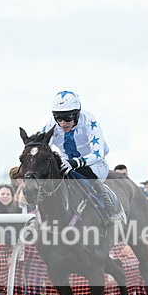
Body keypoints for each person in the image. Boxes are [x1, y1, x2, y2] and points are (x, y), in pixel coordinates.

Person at [42, 90, 124, 222]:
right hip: (68, 165)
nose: (63, 124)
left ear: (76, 115)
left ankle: (113, 212)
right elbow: (42, 147)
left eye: (68, 118)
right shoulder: (52, 124)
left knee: (89, 177)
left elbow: (98, 154)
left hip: (94, 165)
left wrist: (74, 163)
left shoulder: (89, 121)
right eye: (59, 118)